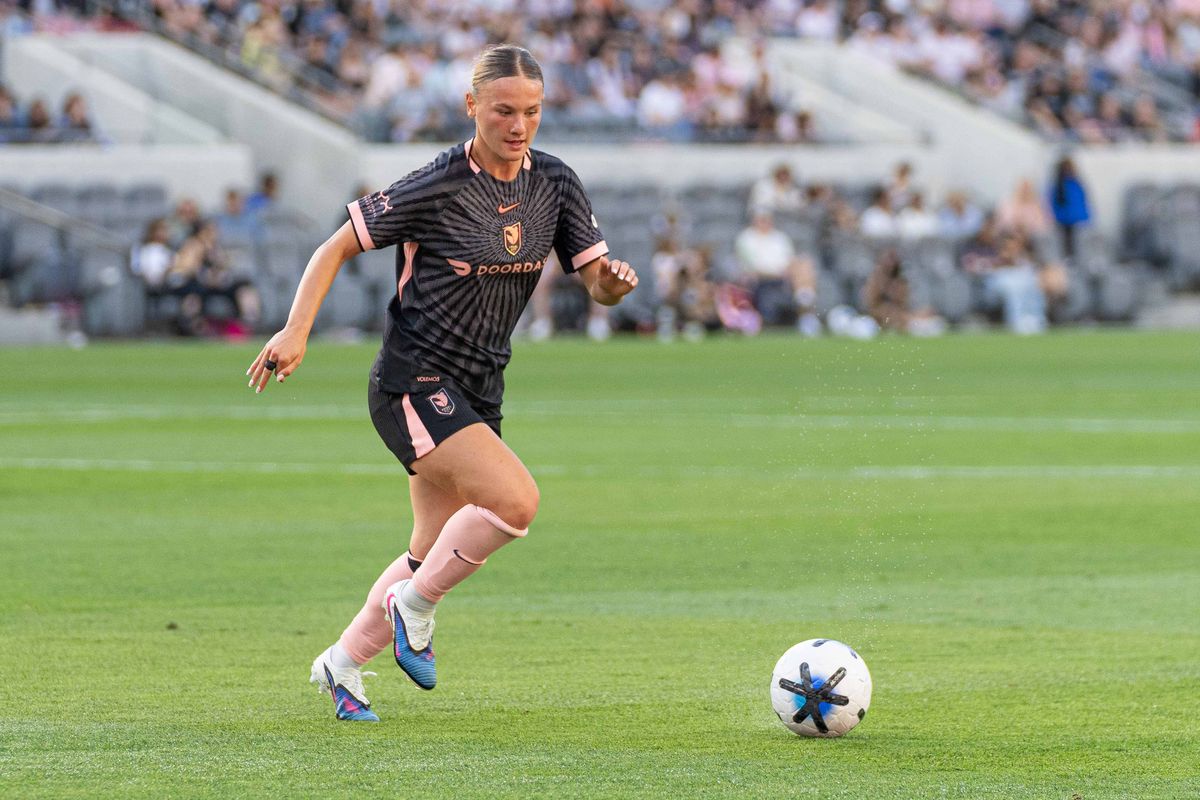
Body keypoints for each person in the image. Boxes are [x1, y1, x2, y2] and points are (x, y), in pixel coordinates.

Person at [245, 45, 638, 723]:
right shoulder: (437, 184)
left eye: (533, 112)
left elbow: (596, 284)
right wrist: (295, 331)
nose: (519, 125)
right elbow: (334, 245)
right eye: (504, 111)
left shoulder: (555, 184)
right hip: (413, 379)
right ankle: (415, 608)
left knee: (427, 550)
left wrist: (613, 284)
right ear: (472, 107)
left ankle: (341, 664)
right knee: (516, 503)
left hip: (480, 389)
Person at [1047, 156, 1090, 258]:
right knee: (1064, 245)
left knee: (1077, 245)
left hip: (1077, 220)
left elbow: (1082, 202)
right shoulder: (1057, 186)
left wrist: (1085, 217)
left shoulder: (1077, 184)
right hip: (1062, 220)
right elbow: (1053, 203)